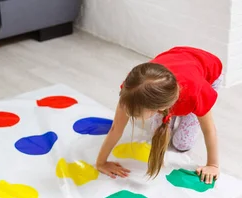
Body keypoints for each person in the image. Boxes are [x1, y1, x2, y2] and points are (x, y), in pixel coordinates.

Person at [95, 46, 223, 184]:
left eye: (135, 114)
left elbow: (209, 130)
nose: (128, 113)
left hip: (208, 70)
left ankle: (187, 113)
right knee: (157, 134)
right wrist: (101, 162)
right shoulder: (132, 89)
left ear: (158, 108)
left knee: (181, 144)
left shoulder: (196, 94)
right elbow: (116, 128)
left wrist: (213, 165)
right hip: (176, 60)